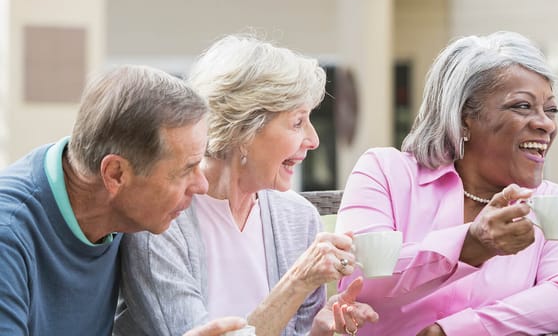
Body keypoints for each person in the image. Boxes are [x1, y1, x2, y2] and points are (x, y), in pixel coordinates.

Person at [335, 31, 558, 335]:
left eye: (550, 110)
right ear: (463, 118)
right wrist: (467, 246)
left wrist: (452, 332)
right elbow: (357, 278)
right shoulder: (384, 172)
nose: (546, 124)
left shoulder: (554, 203)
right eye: (523, 106)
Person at [114, 35, 377, 336]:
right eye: (297, 122)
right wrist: (298, 281)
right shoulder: (160, 221)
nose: (314, 140)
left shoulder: (298, 219)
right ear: (244, 128)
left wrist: (318, 331)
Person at [0, 65, 248, 335]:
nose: (202, 185)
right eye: (186, 170)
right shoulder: (8, 234)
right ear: (116, 174)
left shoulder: (116, 211)